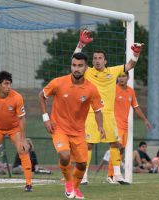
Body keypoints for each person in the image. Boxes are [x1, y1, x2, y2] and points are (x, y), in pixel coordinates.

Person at [74, 29, 145, 185]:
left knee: (115, 143)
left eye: (100, 58)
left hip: (109, 114)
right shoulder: (88, 72)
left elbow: (130, 65)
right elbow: (75, 63)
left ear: (105, 61)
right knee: (89, 144)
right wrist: (80, 46)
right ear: (92, 61)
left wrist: (136, 54)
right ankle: (84, 176)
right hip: (92, 113)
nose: (97, 60)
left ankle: (117, 176)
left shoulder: (113, 71)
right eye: (95, 58)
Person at [38, 52, 105, 199]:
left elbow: (98, 110)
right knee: (64, 154)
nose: (76, 68)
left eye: (80, 66)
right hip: (58, 128)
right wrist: (46, 118)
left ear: (86, 68)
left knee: (81, 165)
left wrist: (100, 126)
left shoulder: (91, 89)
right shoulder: (58, 83)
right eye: (74, 65)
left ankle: (75, 187)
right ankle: (68, 182)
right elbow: (42, 96)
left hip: (79, 131)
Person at [0, 71, 32, 192]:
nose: (9, 87)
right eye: (6, 84)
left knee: (23, 149)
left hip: (14, 129)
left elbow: (22, 118)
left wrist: (23, 138)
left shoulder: (17, 97)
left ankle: (29, 184)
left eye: (10, 84)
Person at [107, 71, 152, 181]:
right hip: (115, 125)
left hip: (125, 126)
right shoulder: (113, 89)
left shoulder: (131, 91)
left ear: (128, 77)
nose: (121, 78)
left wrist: (145, 120)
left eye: (123, 76)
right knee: (115, 148)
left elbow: (136, 107)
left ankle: (115, 173)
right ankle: (111, 175)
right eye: (119, 77)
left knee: (121, 150)